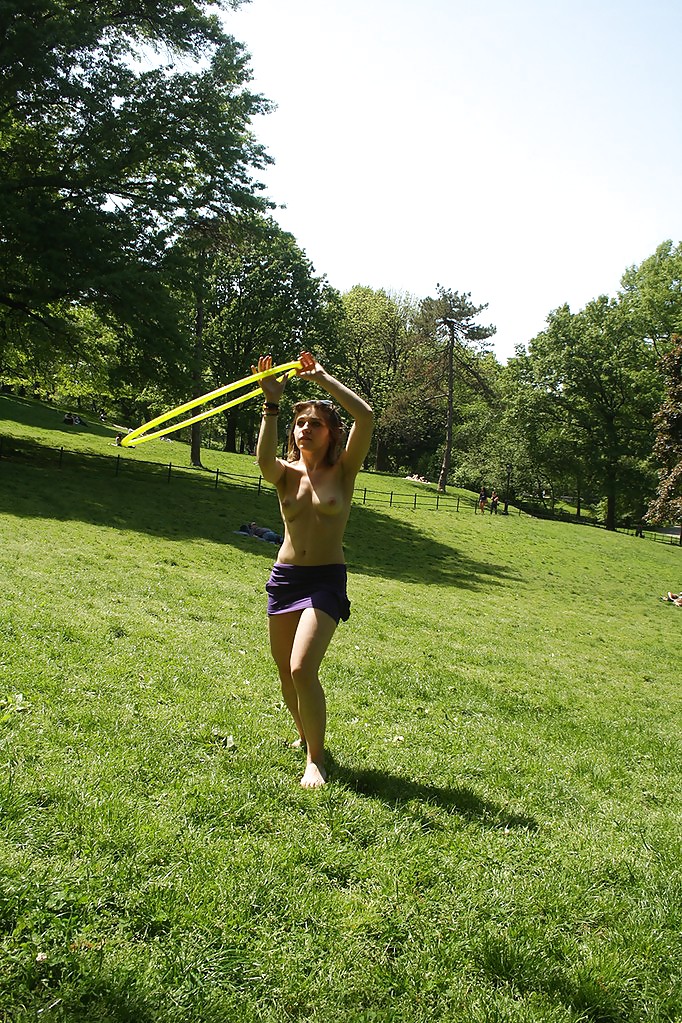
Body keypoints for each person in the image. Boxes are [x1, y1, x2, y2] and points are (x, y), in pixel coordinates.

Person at [254, 350, 373, 788]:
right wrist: (271, 403)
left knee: (303, 668)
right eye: (300, 423)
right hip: (285, 579)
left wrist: (322, 378)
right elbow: (263, 461)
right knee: (286, 673)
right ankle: (307, 738)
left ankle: (316, 760)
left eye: (315, 423)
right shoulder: (284, 473)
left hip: (325, 580)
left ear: (330, 433)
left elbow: (366, 415)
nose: (305, 428)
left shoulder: (344, 470)